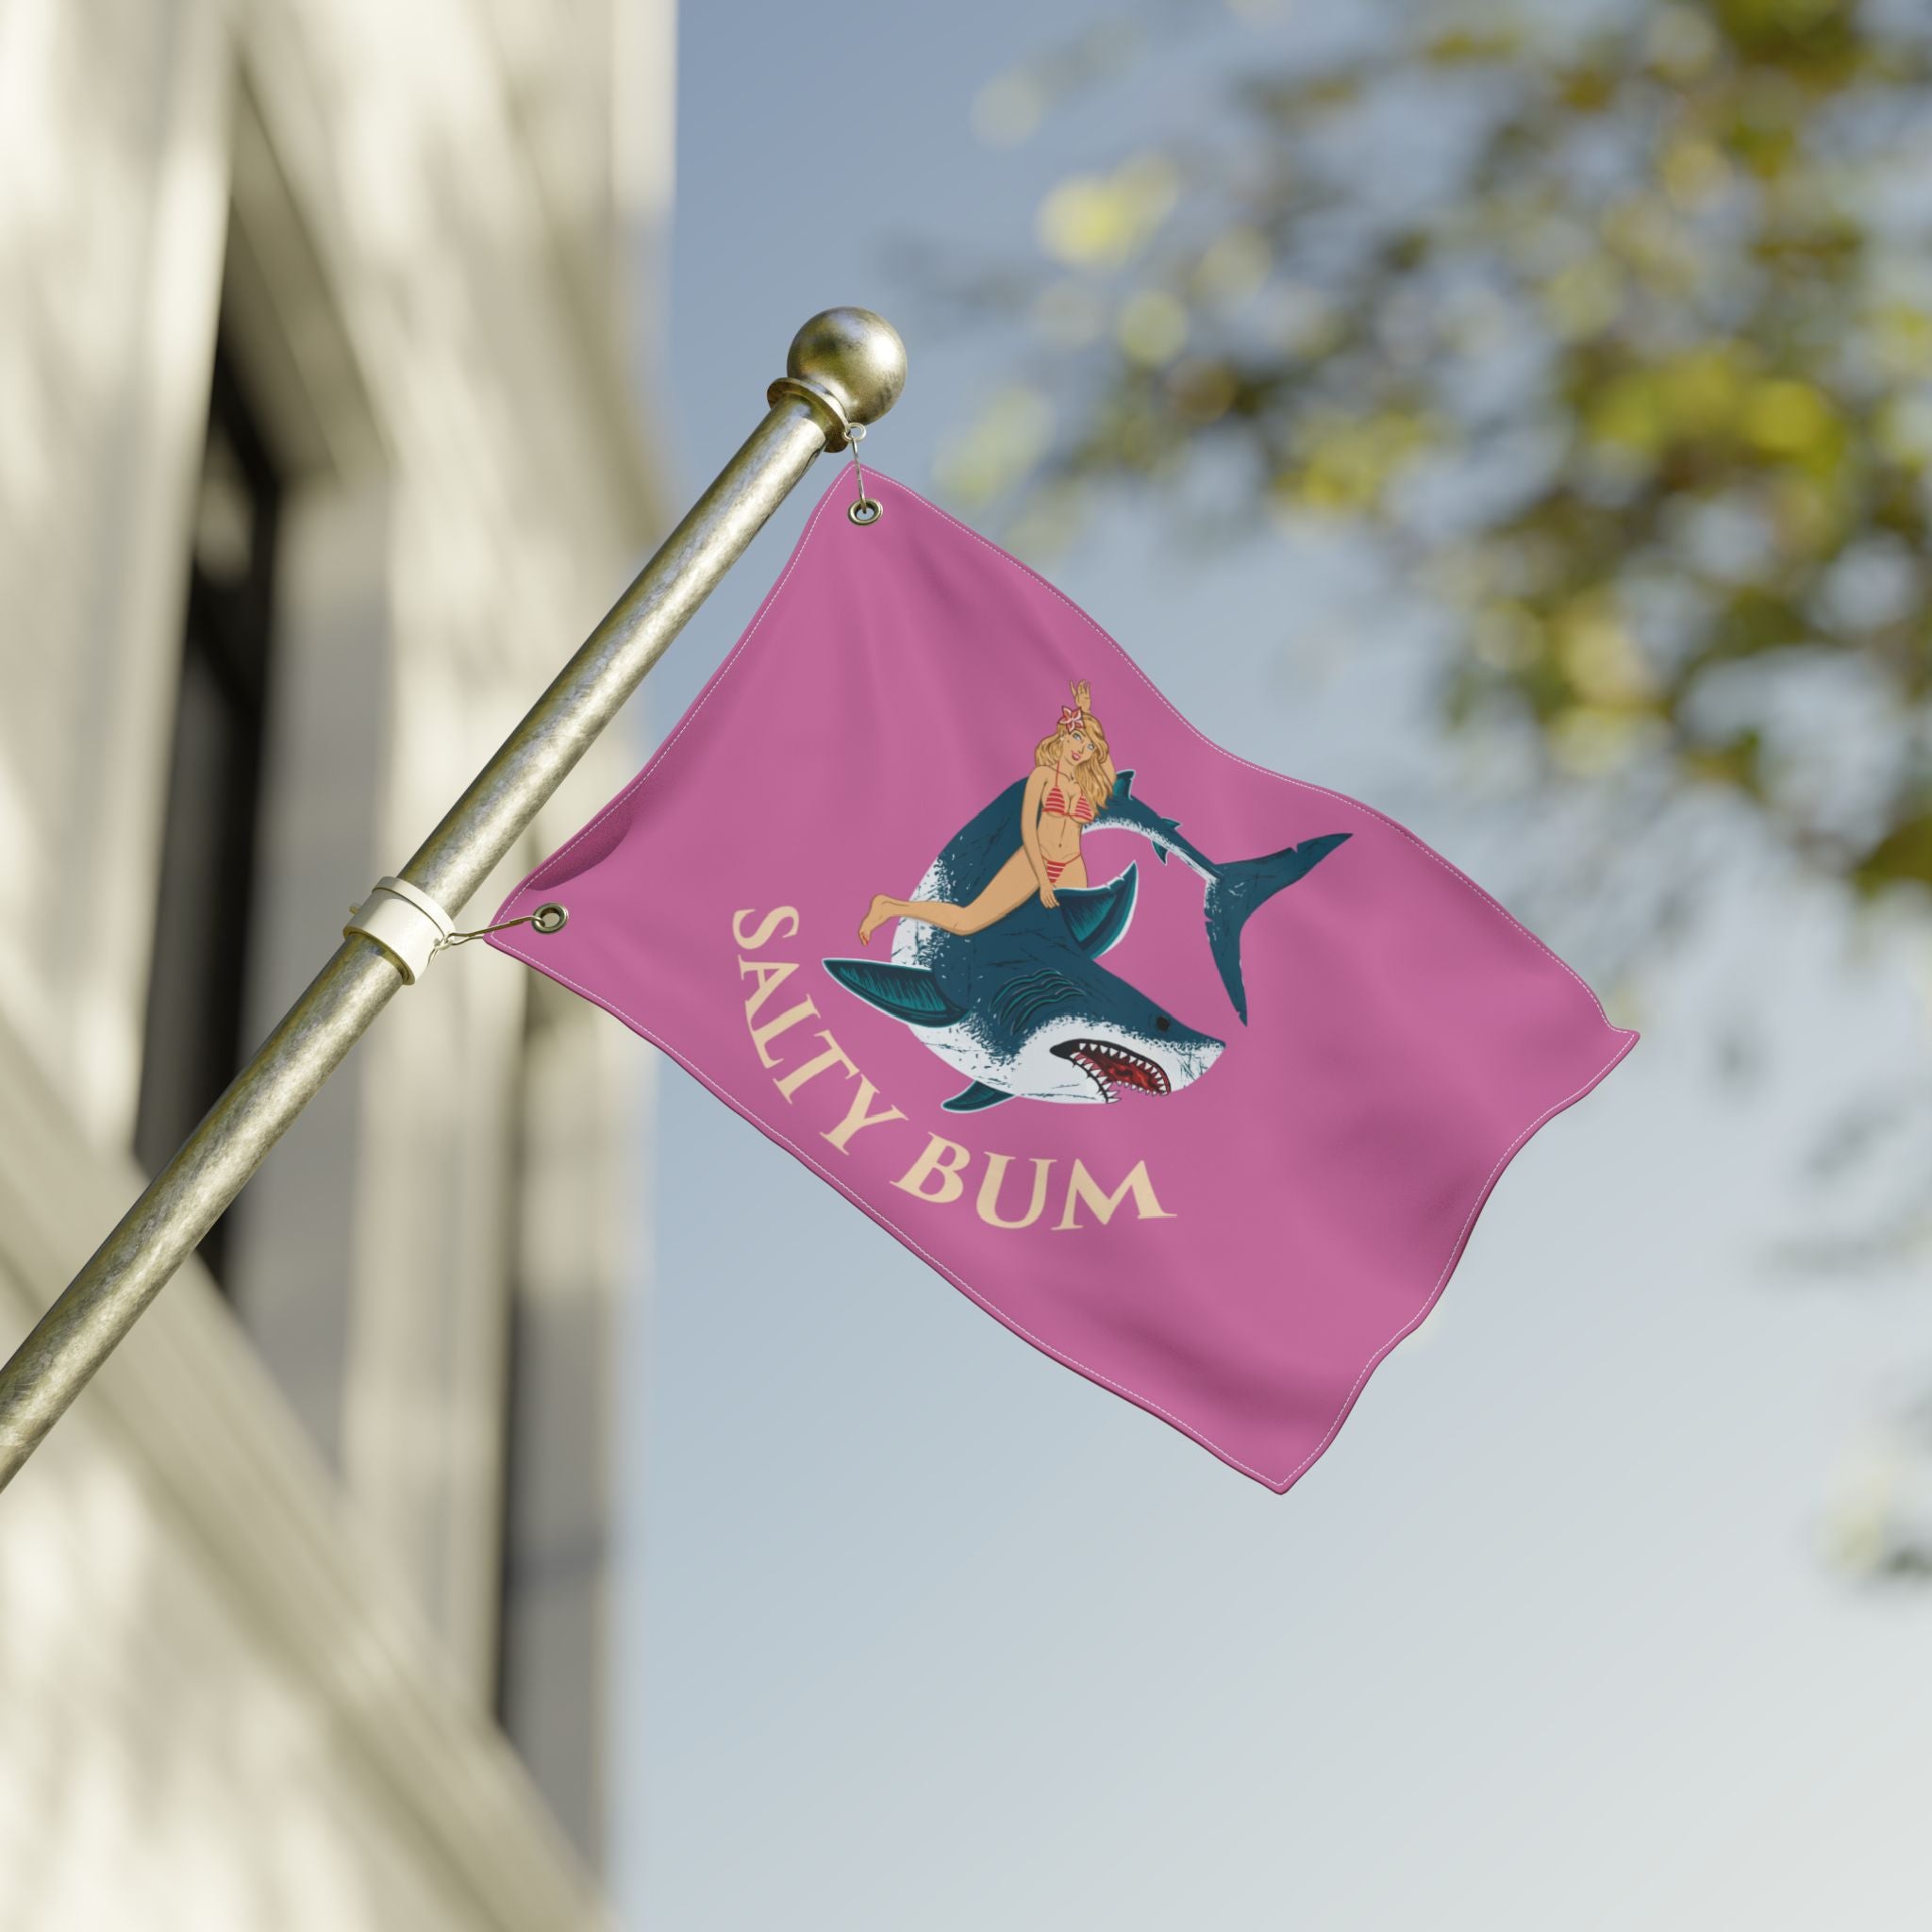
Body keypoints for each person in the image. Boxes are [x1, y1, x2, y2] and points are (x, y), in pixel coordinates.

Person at [858, 678, 1118, 946]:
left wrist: (1086, 714)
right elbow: (1027, 827)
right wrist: (1042, 879)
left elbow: (1109, 771)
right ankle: (889, 907)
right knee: (967, 922)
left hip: (1072, 866)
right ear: (1063, 735)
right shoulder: (1042, 775)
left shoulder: (1087, 785)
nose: (1081, 750)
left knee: (1073, 939)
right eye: (1077, 738)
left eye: (1089, 747)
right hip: (1033, 861)